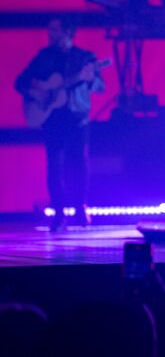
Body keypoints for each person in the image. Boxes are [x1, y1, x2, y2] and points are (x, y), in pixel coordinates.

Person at [15, 17, 104, 231]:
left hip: (77, 119)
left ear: (67, 32)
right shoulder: (44, 57)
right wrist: (38, 93)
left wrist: (90, 78)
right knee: (54, 166)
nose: (50, 34)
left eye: (55, 30)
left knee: (79, 164)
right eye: (49, 30)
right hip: (53, 120)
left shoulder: (85, 58)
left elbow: (100, 86)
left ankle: (80, 208)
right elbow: (20, 82)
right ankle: (59, 212)